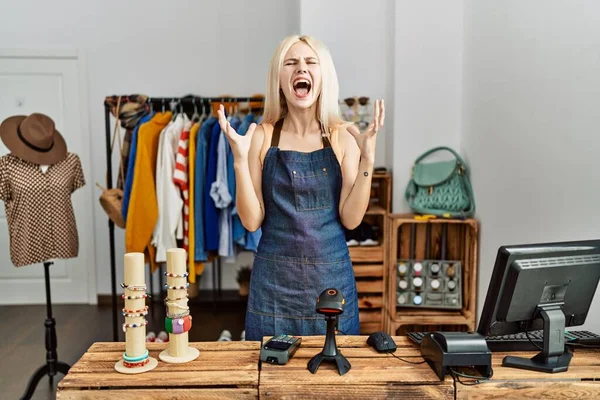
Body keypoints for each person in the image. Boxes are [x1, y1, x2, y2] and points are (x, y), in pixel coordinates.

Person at [217, 35, 385, 341]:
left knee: (331, 381)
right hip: (273, 286)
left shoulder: (343, 136)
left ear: (323, 76)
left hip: (331, 281)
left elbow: (352, 219)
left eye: (310, 63)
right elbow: (251, 221)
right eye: (290, 63)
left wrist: (368, 160)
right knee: (271, 379)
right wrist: (240, 161)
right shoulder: (263, 136)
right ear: (278, 78)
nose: (300, 69)